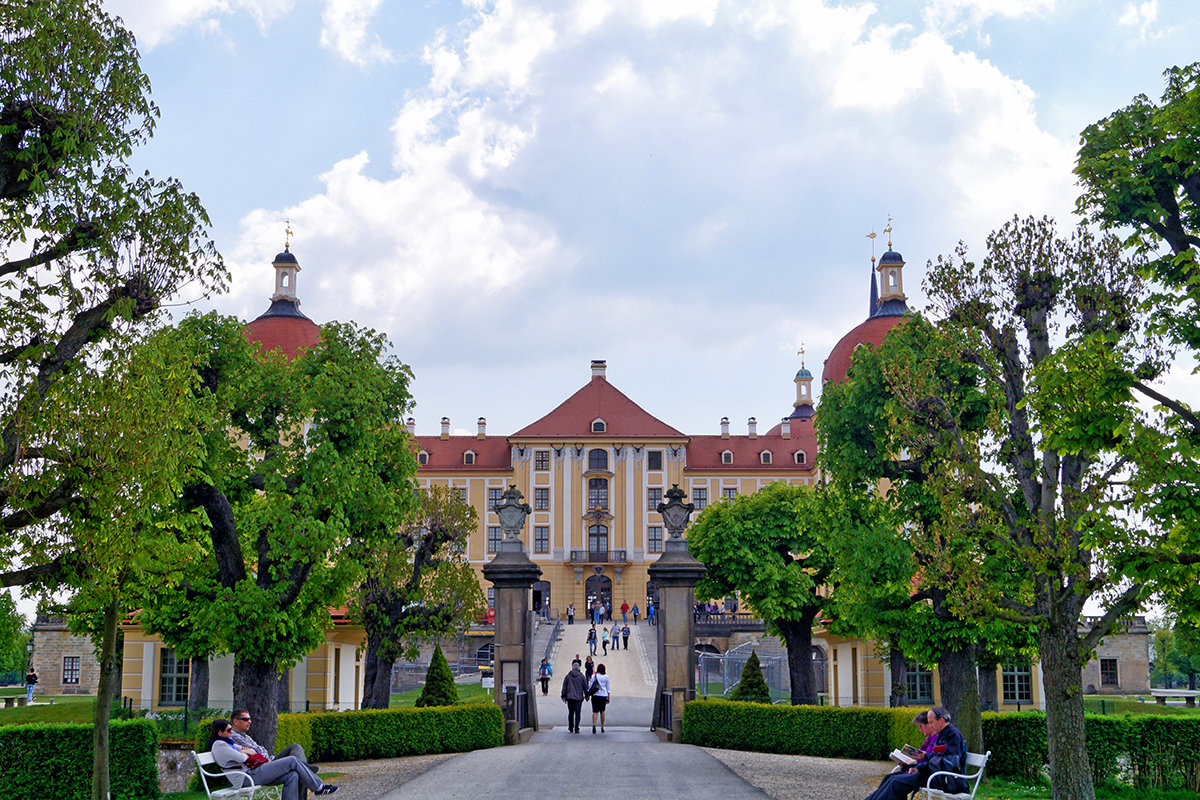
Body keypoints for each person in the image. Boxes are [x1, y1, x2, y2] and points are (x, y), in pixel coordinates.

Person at [208, 719, 337, 798]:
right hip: (246, 778)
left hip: (252, 772)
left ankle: (310, 778)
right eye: (229, 730)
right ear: (220, 733)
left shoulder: (228, 743)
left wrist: (244, 751)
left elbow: (251, 751)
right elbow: (243, 757)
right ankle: (319, 787)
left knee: (292, 775)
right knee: (291, 760)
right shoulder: (220, 745)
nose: (231, 732)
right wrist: (244, 752)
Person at [861, 706, 966, 800]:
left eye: (931, 722)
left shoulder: (952, 735)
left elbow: (948, 762)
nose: (930, 726)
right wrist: (918, 768)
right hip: (934, 775)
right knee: (893, 779)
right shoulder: (944, 734)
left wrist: (925, 757)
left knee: (895, 782)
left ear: (941, 720)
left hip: (942, 779)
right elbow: (938, 760)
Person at [229, 709, 318, 773]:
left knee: (295, 747)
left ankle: (304, 768)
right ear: (236, 721)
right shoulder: (234, 736)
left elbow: (258, 750)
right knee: (297, 770)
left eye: (250, 719)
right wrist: (260, 750)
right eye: (246, 719)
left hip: (269, 761)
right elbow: (256, 751)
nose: (249, 722)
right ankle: (305, 768)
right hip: (262, 766)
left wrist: (260, 750)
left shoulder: (245, 736)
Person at [560, 659, 588, 733]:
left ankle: (570, 727)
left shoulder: (568, 676)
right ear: (579, 668)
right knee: (578, 713)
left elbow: (564, 687)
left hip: (570, 697)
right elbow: (585, 687)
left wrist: (563, 696)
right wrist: (587, 695)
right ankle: (576, 727)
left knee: (571, 712)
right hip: (579, 698)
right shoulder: (582, 676)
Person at [587, 663, 611, 734]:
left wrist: (588, 694)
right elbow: (608, 688)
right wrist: (608, 697)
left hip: (595, 695)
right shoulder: (606, 677)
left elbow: (591, 686)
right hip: (603, 695)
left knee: (595, 711)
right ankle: (602, 726)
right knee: (602, 711)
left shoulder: (594, 676)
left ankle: (594, 725)